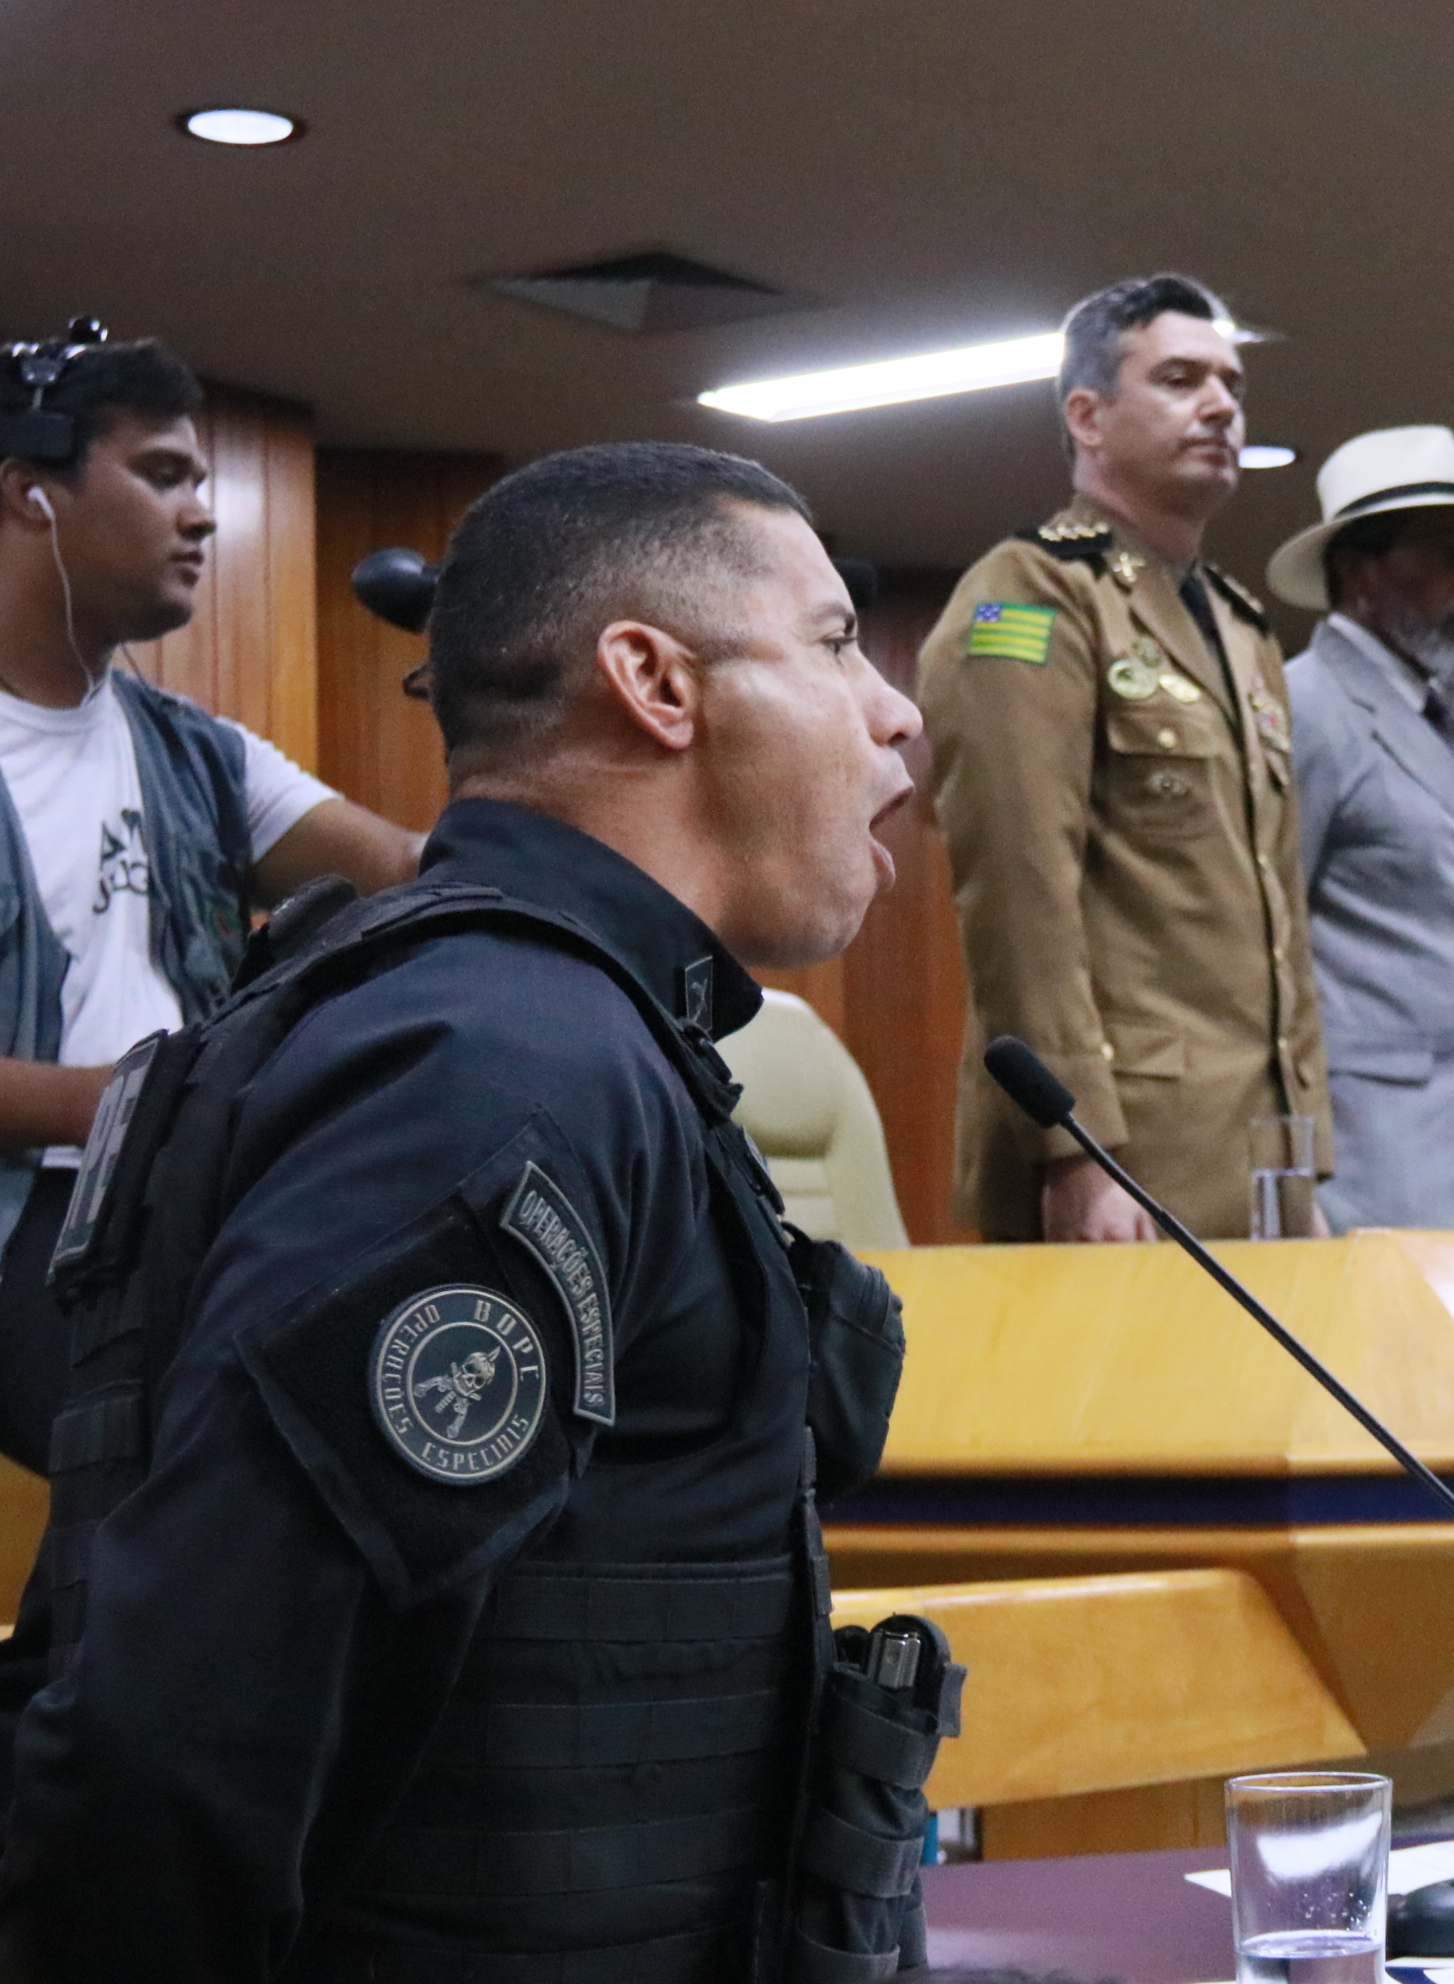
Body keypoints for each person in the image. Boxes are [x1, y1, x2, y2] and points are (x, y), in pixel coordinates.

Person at [0, 442, 929, 1976]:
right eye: (834, 643)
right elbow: (185, 1730)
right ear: (657, 682)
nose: (892, 711)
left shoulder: (587, 1036)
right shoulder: (505, 1066)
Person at [0, 328, 420, 1473]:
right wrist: (119, 1106)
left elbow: (414, 874)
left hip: (184, 1206)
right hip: (30, 1223)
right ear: (30, 492)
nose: (203, 515)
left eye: (201, 479)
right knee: (232, 1471)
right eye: (161, 474)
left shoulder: (197, 754)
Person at [918, 273, 1328, 1242]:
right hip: (1124, 1152)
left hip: (1258, 1152)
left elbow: (1278, 910)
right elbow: (1019, 888)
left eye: (1230, 384)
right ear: (1088, 417)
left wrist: (1305, 1163)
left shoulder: (1242, 628)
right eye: (1181, 380)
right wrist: (1072, 1146)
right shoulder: (1030, 595)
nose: (1220, 406)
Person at [1276, 426, 1454, 1231]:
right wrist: (1293, 1177)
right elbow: (1264, 947)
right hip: (1368, 1165)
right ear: (1358, 572)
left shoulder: (1437, 715)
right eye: (1448, 556)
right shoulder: (1306, 707)